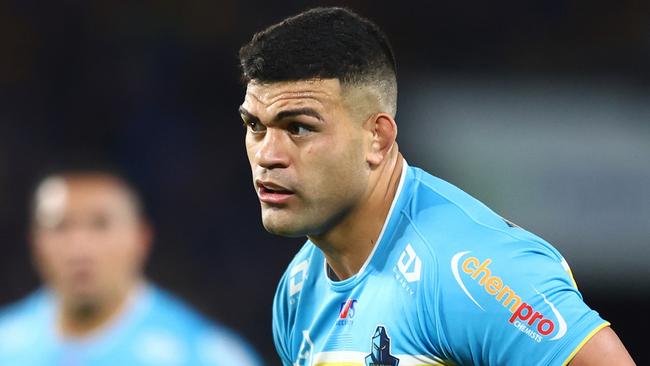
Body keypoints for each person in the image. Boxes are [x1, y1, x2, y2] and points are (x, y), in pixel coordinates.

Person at [237, 7, 635, 366]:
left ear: (377, 138)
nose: (268, 154)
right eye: (255, 126)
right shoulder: (297, 291)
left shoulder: (471, 271)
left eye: (299, 128)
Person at [0, 167, 263, 366]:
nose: (79, 248)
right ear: (35, 243)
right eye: (60, 227)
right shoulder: (6, 345)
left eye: (100, 225)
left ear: (141, 239)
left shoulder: (204, 354)